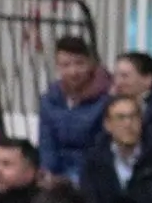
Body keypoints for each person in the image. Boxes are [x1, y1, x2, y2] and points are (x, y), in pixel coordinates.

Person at [36, 35, 110, 183]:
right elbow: (47, 143)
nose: (73, 71)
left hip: (92, 174)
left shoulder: (106, 99)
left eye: (79, 63)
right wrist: (48, 172)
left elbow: (101, 148)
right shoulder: (49, 100)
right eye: (66, 65)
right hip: (58, 174)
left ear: (91, 63)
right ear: (58, 67)